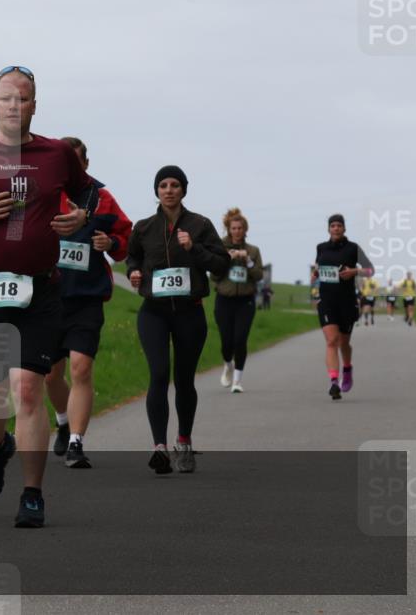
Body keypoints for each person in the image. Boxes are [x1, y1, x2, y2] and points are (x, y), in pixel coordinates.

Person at [0, 65, 92, 527]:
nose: (14, 105)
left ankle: (32, 494)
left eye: (22, 98)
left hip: (40, 289)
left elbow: (89, 194)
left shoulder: (58, 153)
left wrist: (81, 217)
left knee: (27, 388)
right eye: (6, 97)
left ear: (34, 105)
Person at [126, 166, 230, 474]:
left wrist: (193, 248)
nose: (169, 190)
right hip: (154, 312)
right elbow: (133, 257)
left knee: (184, 380)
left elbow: (221, 265)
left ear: (183, 190)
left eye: (174, 185)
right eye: (163, 185)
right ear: (156, 191)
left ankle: (183, 441)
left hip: (189, 311)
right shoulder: (144, 227)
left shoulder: (200, 225)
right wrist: (134, 272)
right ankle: (159, 447)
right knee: (159, 373)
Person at [45, 137, 132, 468]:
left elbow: (125, 241)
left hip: (87, 297)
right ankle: (63, 421)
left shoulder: (102, 198)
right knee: (51, 376)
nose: (69, 168)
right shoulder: (43, 193)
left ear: (86, 164)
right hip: (48, 298)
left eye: (75, 162)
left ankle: (76, 443)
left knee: (81, 367)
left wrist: (111, 242)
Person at [311, 214, 374, 400]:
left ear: (344, 228)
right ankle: (333, 382)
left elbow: (370, 270)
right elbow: (319, 267)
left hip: (347, 301)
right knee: (332, 341)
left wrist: (355, 271)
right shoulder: (321, 248)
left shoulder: (353, 248)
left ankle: (347, 369)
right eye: (333, 225)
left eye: (339, 225)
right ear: (329, 229)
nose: (336, 228)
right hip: (326, 301)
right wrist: (316, 273)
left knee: (343, 343)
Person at [211, 208, 264, 394]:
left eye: (240, 228)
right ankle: (228, 364)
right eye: (233, 228)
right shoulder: (219, 247)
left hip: (245, 301)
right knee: (227, 342)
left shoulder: (253, 250)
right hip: (224, 300)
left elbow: (259, 276)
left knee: (240, 340)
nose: (237, 231)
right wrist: (227, 259)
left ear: (245, 229)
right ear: (229, 229)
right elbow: (214, 276)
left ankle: (237, 381)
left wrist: (247, 260)